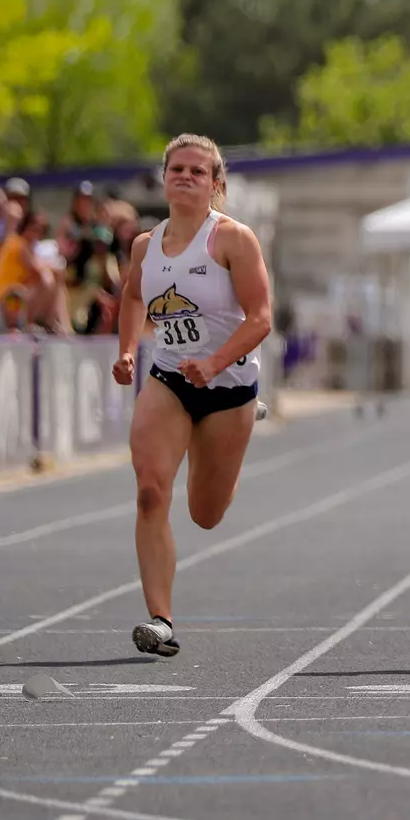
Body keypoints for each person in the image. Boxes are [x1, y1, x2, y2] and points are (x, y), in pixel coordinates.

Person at [112, 134, 274, 658]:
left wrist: (216, 362)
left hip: (226, 386)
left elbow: (261, 318)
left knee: (205, 513)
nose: (184, 177)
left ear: (214, 184)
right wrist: (128, 350)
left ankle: (252, 407)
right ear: (163, 178)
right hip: (168, 380)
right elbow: (134, 295)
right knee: (150, 491)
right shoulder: (145, 244)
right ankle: (160, 620)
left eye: (196, 171)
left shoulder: (232, 239)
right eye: (176, 169)